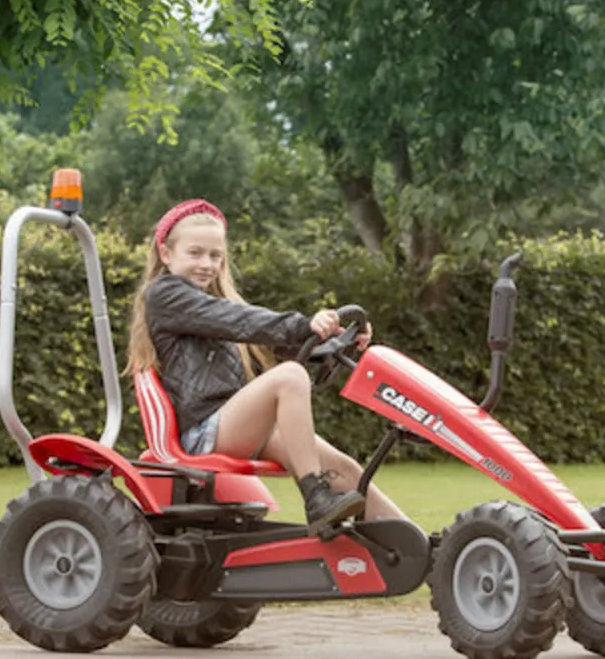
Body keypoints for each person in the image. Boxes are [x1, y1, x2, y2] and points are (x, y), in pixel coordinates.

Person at [127, 199, 410, 533]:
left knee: (344, 469)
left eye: (215, 255)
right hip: (203, 432)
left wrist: (335, 342)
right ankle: (315, 497)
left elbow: (278, 346)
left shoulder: (209, 307)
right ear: (166, 253)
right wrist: (305, 325)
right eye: (196, 253)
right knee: (289, 377)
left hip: (233, 424)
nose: (207, 264)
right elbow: (244, 321)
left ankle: (420, 549)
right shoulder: (166, 295)